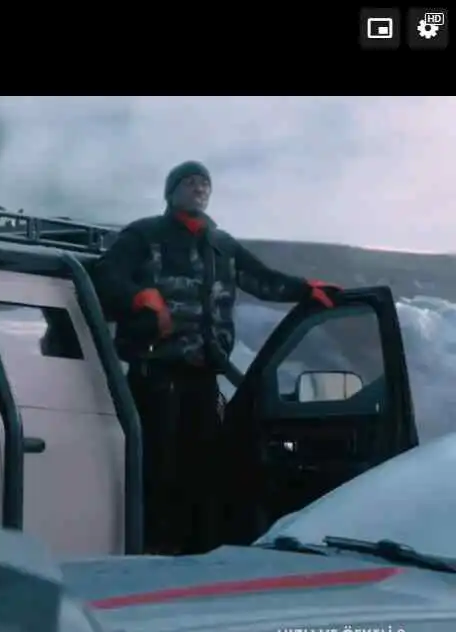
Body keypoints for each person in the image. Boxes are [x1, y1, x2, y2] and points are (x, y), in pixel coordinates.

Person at [90, 161, 340, 554]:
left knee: (205, 469)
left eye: (204, 184)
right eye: (189, 182)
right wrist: (139, 297)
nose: (199, 189)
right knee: (158, 468)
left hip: (205, 375)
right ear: (171, 191)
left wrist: (307, 290)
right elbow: (106, 275)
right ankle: (153, 550)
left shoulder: (221, 244)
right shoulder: (144, 235)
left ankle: (197, 550)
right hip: (156, 374)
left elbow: (262, 280)